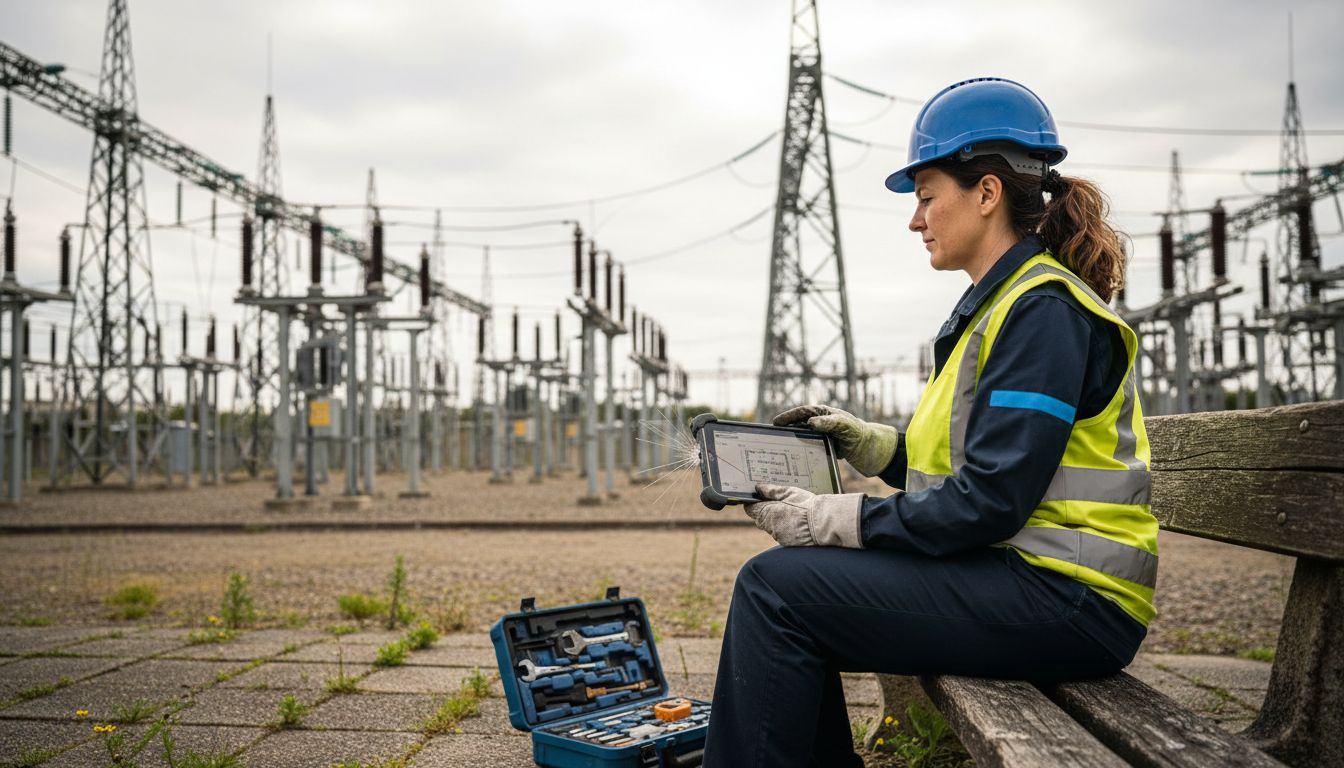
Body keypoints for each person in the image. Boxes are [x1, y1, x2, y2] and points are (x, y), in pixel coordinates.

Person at [702, 77, 1158, 768]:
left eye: (924, 198)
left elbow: (993, 500)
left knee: (777, 590)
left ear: (985, 193)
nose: (917, 221)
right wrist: (870, 444)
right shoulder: (1004, 303)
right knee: (790, 585)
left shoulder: (1043, 312)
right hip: (1026, 578)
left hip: (1070, 601)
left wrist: (833, 518)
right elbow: (971, 462)